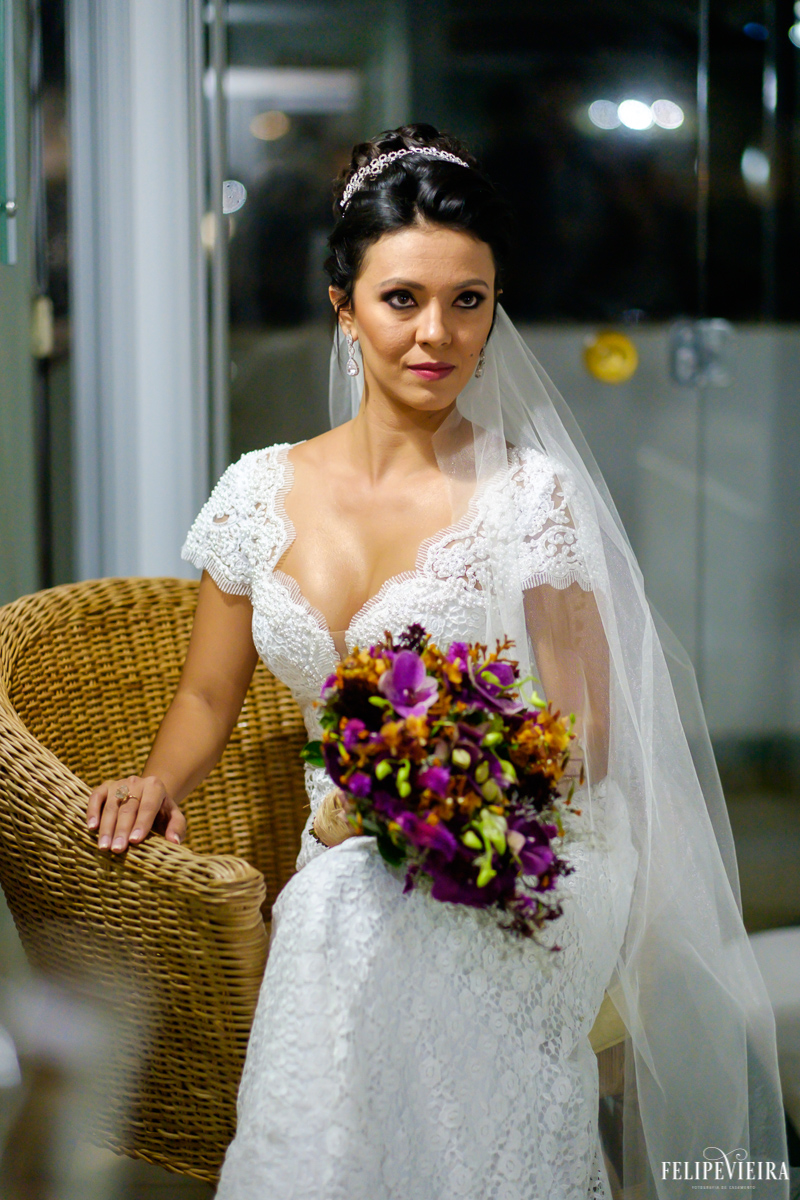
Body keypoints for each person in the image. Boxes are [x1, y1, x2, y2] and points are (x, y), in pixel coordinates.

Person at [86, 125, 789, 1199]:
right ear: (344, 306)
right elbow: (207, 692)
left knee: (341, 910)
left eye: (469, 301)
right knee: (344, 903)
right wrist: (158, 781)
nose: (437, 334)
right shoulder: (256, 491)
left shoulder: (528, 495)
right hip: (347, 839)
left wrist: (436, 796)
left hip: (526, 838)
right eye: (402, 299)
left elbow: (590, 734)